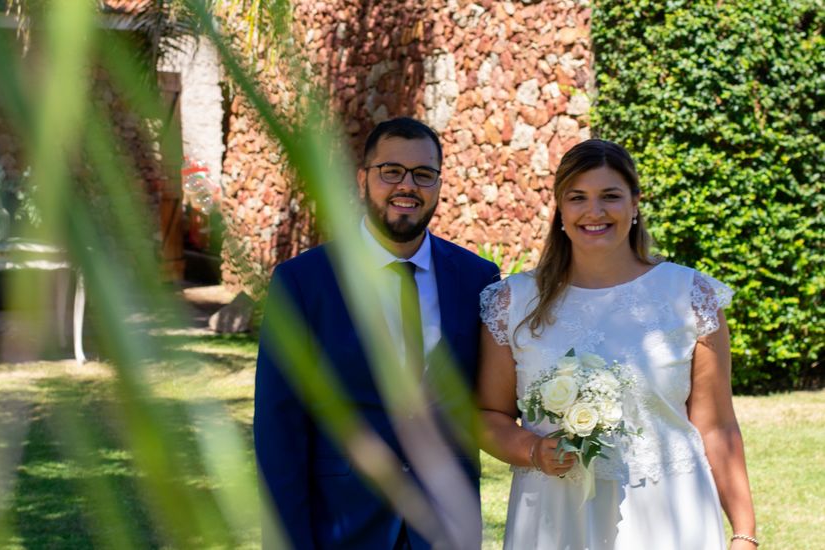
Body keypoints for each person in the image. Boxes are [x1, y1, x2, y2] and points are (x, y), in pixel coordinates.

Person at [477, 139, 757, 549]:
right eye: (578, 198)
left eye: (610, 196)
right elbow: (488, 415)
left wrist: (744, 534)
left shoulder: (688, 294)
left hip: (670, 514)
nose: (595, 212)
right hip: (556, 515)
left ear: (635, 203)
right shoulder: (514, 302)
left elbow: (717, 425)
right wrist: (535, 450)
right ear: (560, 209)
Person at [254, 117, 500, 549]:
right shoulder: (304, 282)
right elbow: (279, 429)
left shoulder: (477, 278)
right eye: (391, 171)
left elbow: (495, 399)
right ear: (362, 179)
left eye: (423, 174)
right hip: (342, 525)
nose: (407, 186)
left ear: (439, 184)